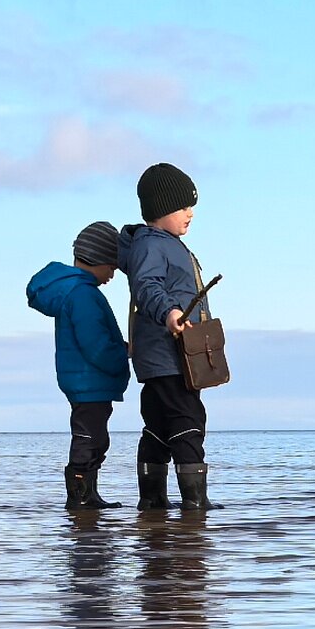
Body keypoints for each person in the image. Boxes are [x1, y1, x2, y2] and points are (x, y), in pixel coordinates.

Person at [113, 160, 210, 512]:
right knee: (187, 421)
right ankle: (194, 505)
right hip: (169, 356)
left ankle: (152, 502)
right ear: (160, 209)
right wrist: (170, 313)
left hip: (165, 358)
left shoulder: (165, 244)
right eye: (183, 206)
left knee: (157, 424)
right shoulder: (153, 246)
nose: (190, 214)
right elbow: (147, 286)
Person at [25, 220, 131, 511]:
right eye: (112, 265)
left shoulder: (78, 291)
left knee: (95, 438)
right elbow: (94, 342)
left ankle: (88, 494)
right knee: (89, 438)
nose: (113, 273)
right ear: (98, 259)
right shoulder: (84, 294)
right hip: (89, 381)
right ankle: (80, 497)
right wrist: (122, 355)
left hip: (86, 381)